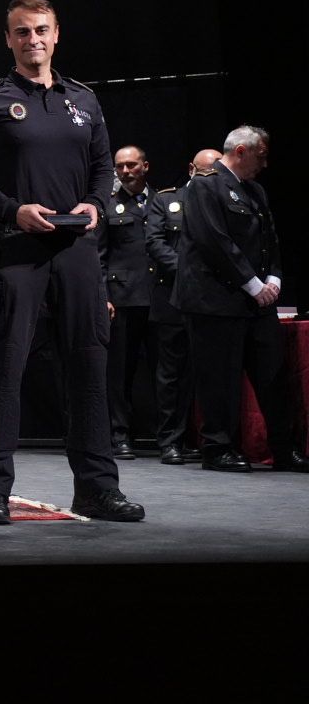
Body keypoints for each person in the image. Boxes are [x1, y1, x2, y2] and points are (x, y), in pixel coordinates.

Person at [0, 0, 144, 523]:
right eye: (21, 32)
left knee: (89, 367)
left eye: (41, 30)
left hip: (79, 252)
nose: (32, 40)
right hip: (17, 250)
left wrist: (96, 204)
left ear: (56, 34)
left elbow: (103, 168)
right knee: (7, 369)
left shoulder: (84, 100)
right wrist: (13, 210)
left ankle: (97, 489)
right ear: (9, 39)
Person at [173, 126, 309, 473]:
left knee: (272, 376)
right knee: (219, 379)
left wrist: (274, 277)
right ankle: (218, 449)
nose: (265, 164)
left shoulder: (255, 191)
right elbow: (214, 242)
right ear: (242, 152)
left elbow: (270, 238)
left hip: (256, 300)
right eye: (261, 156)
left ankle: (283, 448)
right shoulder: (204, 186)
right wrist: (253, 284)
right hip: (215, 302)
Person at [144, 148, 220, 464]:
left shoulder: (223, 201)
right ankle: (170, 441)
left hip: (212, 299)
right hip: (173, 296)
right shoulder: (165, 200)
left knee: (207, 372)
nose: (210, 180)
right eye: (205, 173)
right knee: (170, 374)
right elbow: (155, 243)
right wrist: (190, 271)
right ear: (191, 170)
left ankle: (208, 441)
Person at [100, 145, 157, 458]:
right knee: (120, 372)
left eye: (131, 165)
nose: (125, 171)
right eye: (120, 167)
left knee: (166, 371)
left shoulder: (162, 201)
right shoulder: (109, 205)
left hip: (159, 297)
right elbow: (100, 255)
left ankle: (169, 438)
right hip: (122, 297)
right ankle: (120, 435)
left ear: (145, 166)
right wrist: (104, 296)